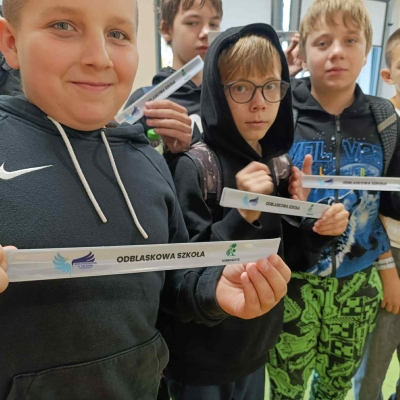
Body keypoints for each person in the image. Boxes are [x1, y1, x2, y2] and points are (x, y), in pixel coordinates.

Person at [0, 0, 292, 398]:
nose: (99, 57)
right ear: (10, 41)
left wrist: (213, 288)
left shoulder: (149, 162)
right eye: (64, 26)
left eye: (117, 34)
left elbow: (174, 283)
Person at [164, 23, 349, 400]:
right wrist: (242, 214)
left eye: (270, 86)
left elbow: (288, 260)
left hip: (257, 347)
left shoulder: (278, 164)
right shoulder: (195, 166)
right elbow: (184, 276)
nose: (259, 102)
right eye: (241, 88)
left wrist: (314, 227)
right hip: (200, 359)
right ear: (217, 92)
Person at [268, 0, 400, 398]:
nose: (337, 52)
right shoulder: (278, 113)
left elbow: (383, 209)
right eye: (323, 42)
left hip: (357, 285)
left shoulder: (385, 120)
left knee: (336, 386)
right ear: (304, 50)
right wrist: (293, 203)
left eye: (350, 40)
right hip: (292, 281)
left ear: (367, 51)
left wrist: (388, 271)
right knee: (286, 387)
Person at [353, 28, 400, 400]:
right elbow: (368, 200)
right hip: (388, 253)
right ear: (388, 74)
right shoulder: (382, 125)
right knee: (374, 364)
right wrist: (387, 268)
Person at [126, 0, 223, 148]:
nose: (206, 33)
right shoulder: (145, 103)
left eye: (213, 24)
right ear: (166, 29)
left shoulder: (227, 98)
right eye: (192, 23)